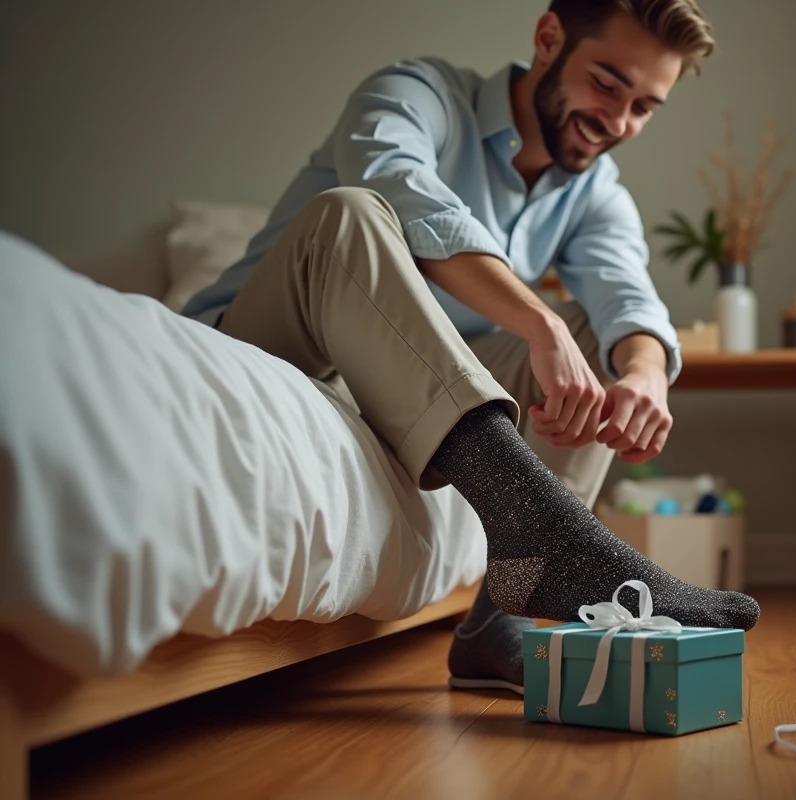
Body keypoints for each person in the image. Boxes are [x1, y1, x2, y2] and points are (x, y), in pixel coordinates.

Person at [182, 0, 759, 695]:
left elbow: (628, 299)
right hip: (283, 346)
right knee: (350, 214)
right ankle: (552, 533)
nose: (618, 122)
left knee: (593, 336)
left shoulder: (593, 192)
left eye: (644, 107)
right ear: (549, 39)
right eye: (607, 84)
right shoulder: (416, 94)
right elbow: (403, 189)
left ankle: (499, 616)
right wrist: (535, 324)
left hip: (405, 389)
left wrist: (644, 378)